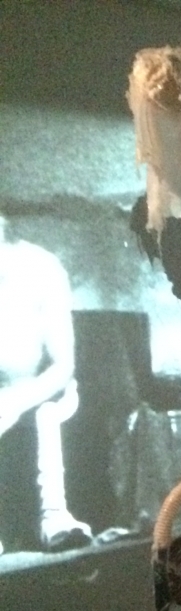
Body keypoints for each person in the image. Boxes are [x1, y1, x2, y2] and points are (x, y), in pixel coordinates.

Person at [0, 213, 92, 552]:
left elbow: (62, 367)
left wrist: (15, 401)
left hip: (46, 390)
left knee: (44, 415)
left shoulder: (42, 270)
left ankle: (54, 519)